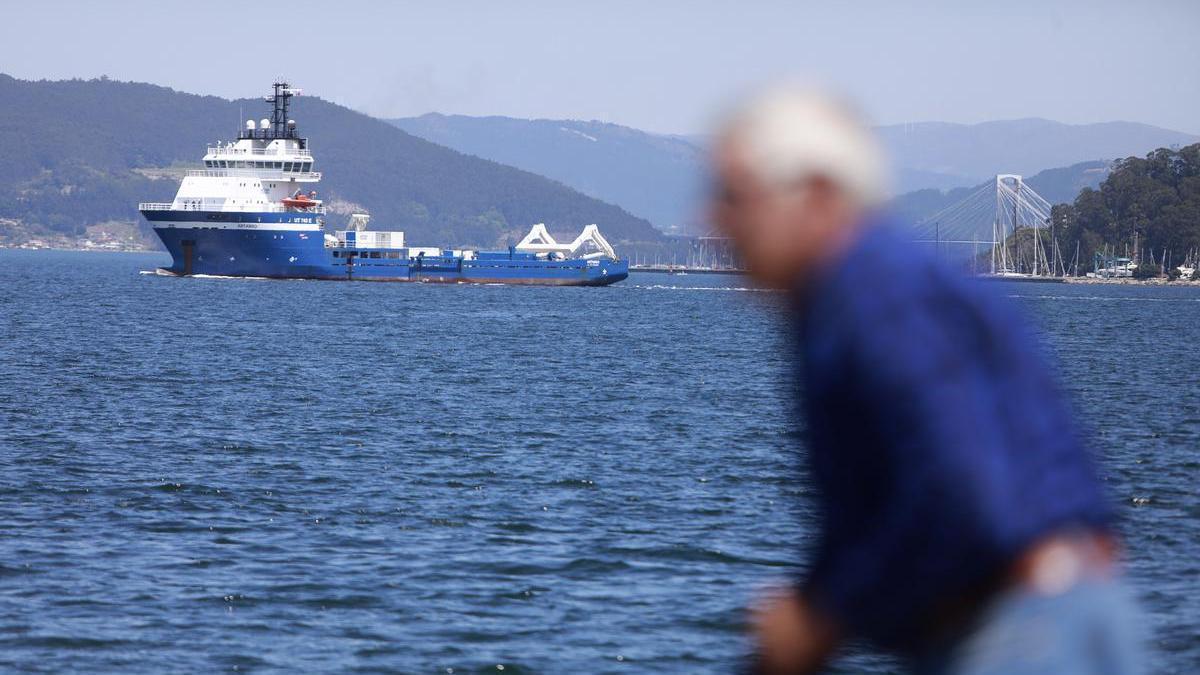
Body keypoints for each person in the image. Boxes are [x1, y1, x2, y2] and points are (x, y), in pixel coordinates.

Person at [710, 86, 1143, 674]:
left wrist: (824, 611)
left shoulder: (875, 295)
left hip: (1022, 631)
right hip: (1039, 613)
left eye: (734, 196)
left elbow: (958, 491)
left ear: (815, 193)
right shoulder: (858, 295)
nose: (713, 220)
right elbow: (901, 492)